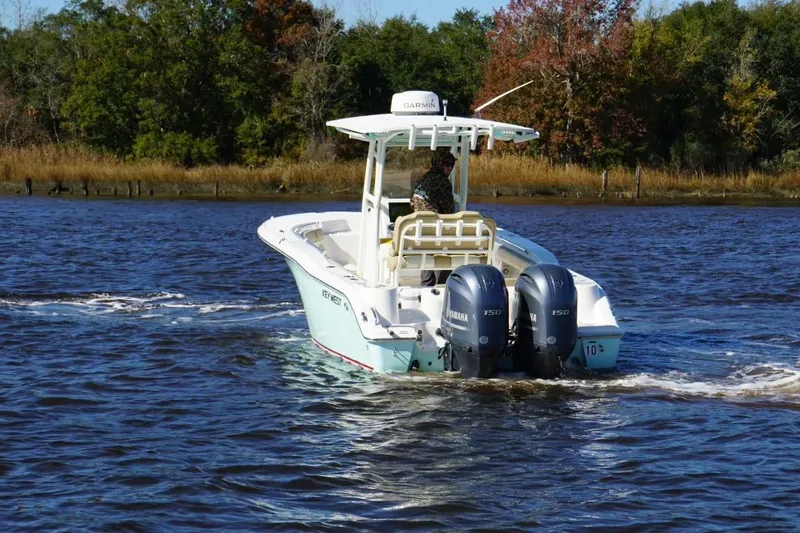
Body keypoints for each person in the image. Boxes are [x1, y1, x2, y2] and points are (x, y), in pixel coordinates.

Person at [411, 151, 457, 286]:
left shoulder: (423, 179)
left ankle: (426, 286)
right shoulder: (443, 182)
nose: (449, 168)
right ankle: (443, 286)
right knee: (447, 243)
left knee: (427, 251)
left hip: (421, 230)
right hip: (437, 231)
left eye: (452, 165)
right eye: (446, 164)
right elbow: (449, 211)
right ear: (438, 164)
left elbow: (413, 203)